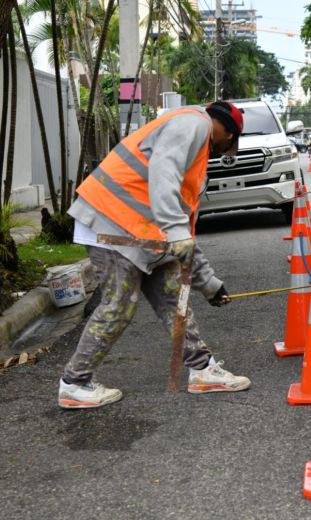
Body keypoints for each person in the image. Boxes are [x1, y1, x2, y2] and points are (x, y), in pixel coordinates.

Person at [59, 102, 251, 408]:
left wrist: (210, 284)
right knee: (119, 306)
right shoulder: (194, 124)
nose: (224, 152)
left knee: (176, 300)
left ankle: (202, 369)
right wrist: (175, 231)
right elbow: (164, 172)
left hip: (141, 231)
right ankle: (74, 383)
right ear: (228, 132)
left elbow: (185, 233)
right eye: (230, 146)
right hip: (111, 221)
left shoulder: (193, 145)